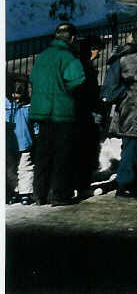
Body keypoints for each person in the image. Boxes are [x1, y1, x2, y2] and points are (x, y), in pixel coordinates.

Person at [29, 22, 86, 206]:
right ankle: (59, 194)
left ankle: (40, 194)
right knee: (62, 155)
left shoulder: (42, 56)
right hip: (62, 112)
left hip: (42, 112)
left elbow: (33, 79)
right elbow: (77, 80)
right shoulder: (68, 57)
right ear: (72, 38)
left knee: (43, 154)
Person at [107, 25, 137, 200]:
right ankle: (125, 186)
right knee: (133, 148)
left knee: (131, 146)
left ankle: (129, 184)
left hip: (128, 107)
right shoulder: (135, 56)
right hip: (134, 108)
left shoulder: (124, 53)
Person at [74, 36, 104, 201]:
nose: (98, 54)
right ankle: (83, 186)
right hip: (88, 113)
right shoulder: (86, 68)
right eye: (97, 50)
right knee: (87, 150)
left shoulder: (77, 65)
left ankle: (79, 183)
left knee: (81, 150)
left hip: (80, 113)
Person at [6, 74, 35, 205]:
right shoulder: (25, 105)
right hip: (15, 142)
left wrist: (36, 132)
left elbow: (34, 122)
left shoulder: (27, 106)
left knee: (24, 168)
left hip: (22, 142)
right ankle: (17, 191)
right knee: (12, 169)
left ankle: (24, 192)